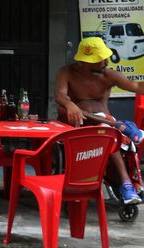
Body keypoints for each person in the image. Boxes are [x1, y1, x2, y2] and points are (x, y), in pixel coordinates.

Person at [55, 36, 144, 205]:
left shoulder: (109, 75)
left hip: (104, 129)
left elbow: (137, 87)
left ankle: (126, 185)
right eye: (100, 59)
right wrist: (69, 104)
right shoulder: (67, 72)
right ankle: (123, 127)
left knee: (106, 132)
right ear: (86, 61)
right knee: (103, 127)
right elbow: (60, 95)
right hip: (76, 127)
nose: (106, 61)